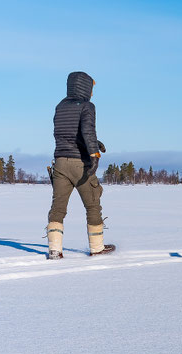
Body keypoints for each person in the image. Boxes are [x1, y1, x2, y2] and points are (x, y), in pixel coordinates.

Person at [46, 71, 115, 259]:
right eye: (91, 88)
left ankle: (54, 250)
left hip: (60, 163)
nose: (92, 93)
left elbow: (68, 134)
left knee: (58, 207)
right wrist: (94, 154)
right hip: (80, 164)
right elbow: (87, 131)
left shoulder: (60, 106)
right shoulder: (87, 106)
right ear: (85, 87)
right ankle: (97, 248)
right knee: (93, 205)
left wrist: (94, 142)